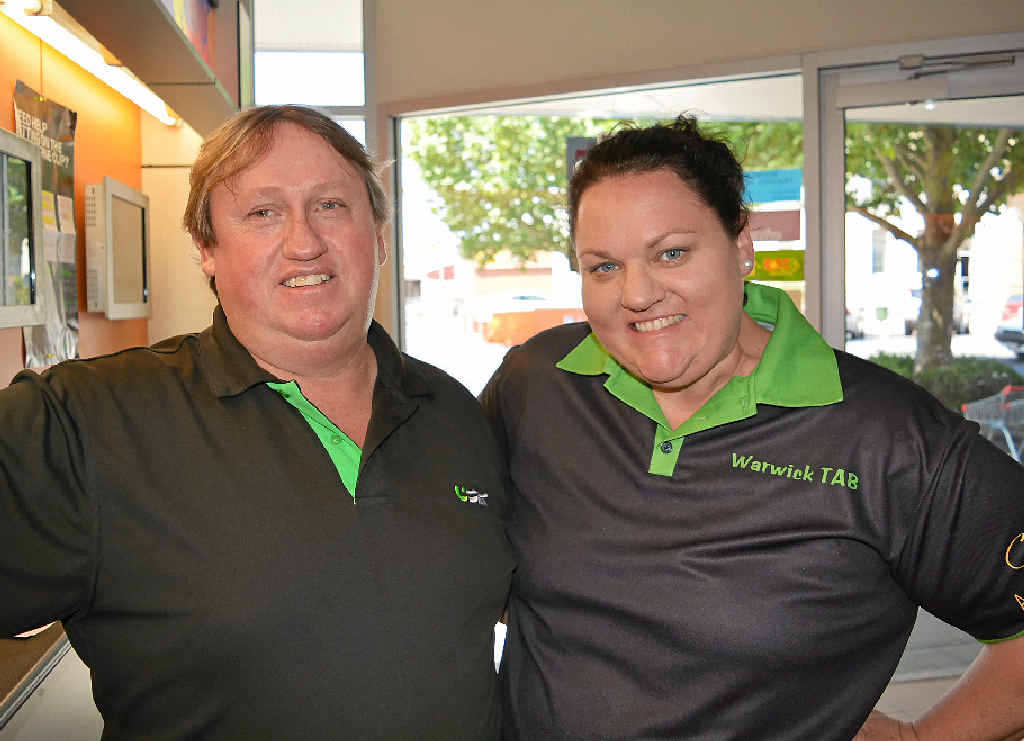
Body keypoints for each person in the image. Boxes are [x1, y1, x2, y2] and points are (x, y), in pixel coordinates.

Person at [481, 115, 1024, 740]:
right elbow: (459, 553)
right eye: (603, 267)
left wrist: (920, 739)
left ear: (742, 243)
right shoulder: (538, 383)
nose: (636, 294)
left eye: (672, 253)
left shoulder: (884, 436)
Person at [0, 105, 513, 740]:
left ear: (379, 233)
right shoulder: (85, 422)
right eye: (262, 213)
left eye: (331, 205)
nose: (304, 242)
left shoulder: (455, 413)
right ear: (206, 248)